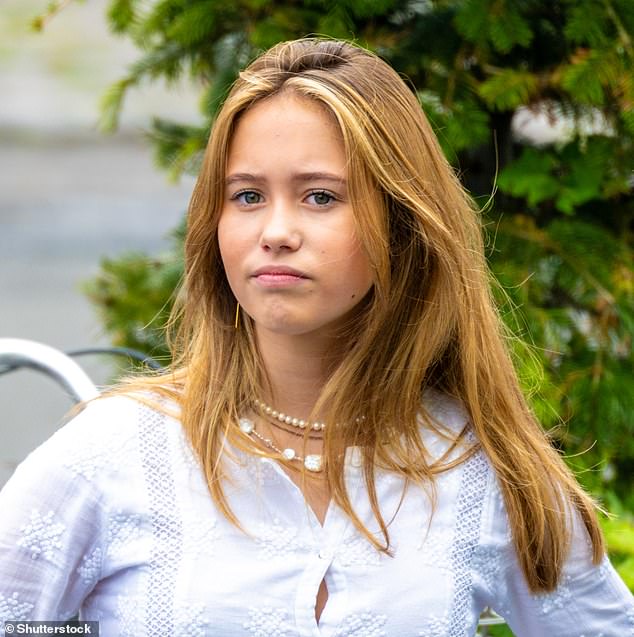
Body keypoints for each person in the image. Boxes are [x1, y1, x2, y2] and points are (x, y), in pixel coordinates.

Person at [0, 38, 632, 637]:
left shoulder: (477, 464)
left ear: (402, 220)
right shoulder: (115, 453)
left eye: (320, 196)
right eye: (247, 195)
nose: (276, 230)